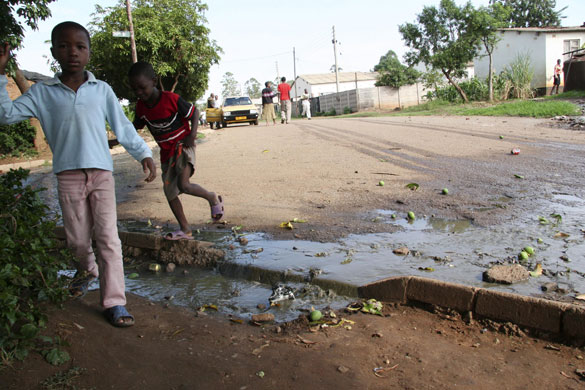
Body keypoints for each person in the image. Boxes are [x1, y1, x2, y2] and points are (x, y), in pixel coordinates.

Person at [0, 22, 157, 328]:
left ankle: (115, 302)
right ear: (53, 51)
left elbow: (123, 128)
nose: (72, 52)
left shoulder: (101, 90)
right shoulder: (43, 93)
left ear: (88, 52)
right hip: (68, 176)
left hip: (101, 174)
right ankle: (88, 269)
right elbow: (5, 116)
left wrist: (145, 155)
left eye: (80, 47)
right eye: (64, 46)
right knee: (76, 240)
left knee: (108, 238)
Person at [128, 61, 224, 241]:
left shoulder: (170, 99)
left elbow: (194, 112)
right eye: (135, 90)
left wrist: (192, 135)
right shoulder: (141, 108)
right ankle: (185, 229)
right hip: (166, 153)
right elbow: (134, 128)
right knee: (170, 192)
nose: (139, 93)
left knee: (184, 184)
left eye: (142, 88)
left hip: (183, 146)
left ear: (154, 81)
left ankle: (211, 197)